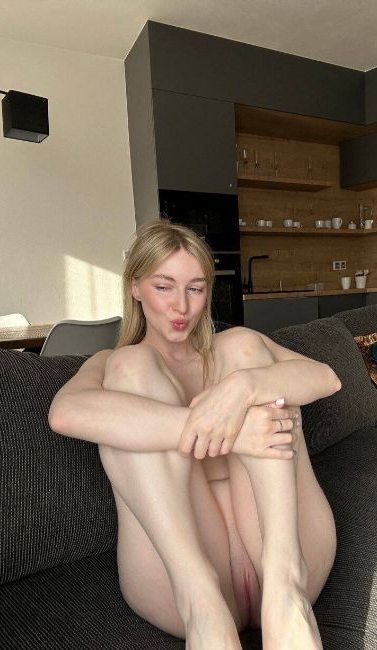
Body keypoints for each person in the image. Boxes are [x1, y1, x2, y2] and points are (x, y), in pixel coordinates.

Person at [49, 220, 341, 650]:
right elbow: (65, 414)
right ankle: (202, 605)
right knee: (129, 369)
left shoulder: (232, 350)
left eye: (196, 288)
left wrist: (244, 388)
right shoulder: (110, 362)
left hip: (288, 549)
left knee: (243, 348)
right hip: (177, 582)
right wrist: (227, 432)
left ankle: (286, 589)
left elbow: (327, 378)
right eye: (163, 287)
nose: (181, 306)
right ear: (135, 287)